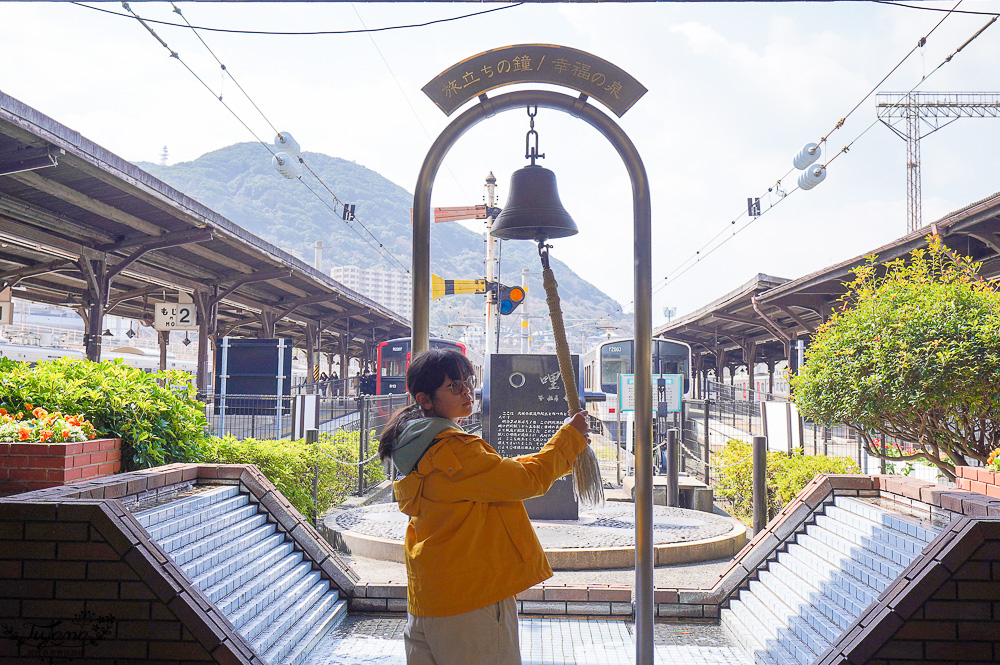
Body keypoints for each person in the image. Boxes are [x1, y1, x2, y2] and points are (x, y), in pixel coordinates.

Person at [378, 348, 590, 665]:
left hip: (428, 599)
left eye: (468, 382)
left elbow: (497, 474)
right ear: (425, 399)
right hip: (472, 599)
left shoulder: (417, 445)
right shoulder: (454, 449)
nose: (467, 391)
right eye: (454, 386)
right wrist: (570, 438)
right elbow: (527, 480)